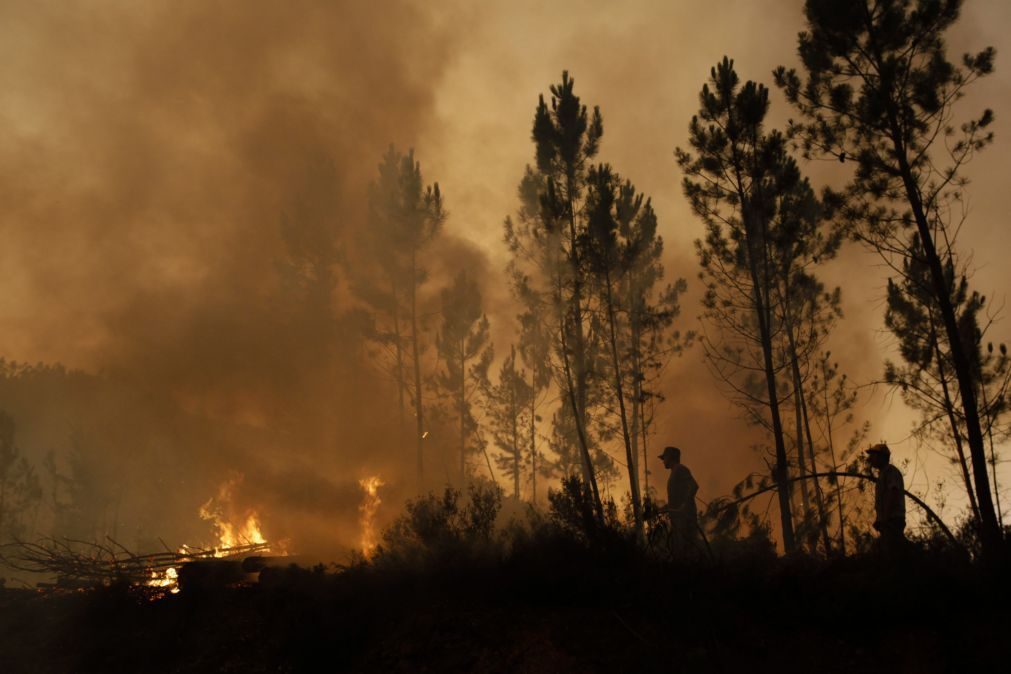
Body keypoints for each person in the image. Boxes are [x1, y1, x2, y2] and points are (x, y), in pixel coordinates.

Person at [865, 442, 906, 556]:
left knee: (893, 553)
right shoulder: (883, 474)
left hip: (893, 519)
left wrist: (885, 519)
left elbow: (892, 493)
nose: (871, 458)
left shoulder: (890, 471)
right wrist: (880, 519)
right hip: (888, 520)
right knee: (891, 551)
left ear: (882, 457)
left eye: (873, 455)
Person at [659, 446, 699, 553]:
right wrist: (664, 508)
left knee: (687, 550)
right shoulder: (674, 472)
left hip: (685, 518)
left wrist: (684, 506)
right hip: (678, 519)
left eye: (664, 458)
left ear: (670, 457)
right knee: (679, 550)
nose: (663, 461)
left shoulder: (680, 469)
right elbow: (676, 499)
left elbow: (694, 486)